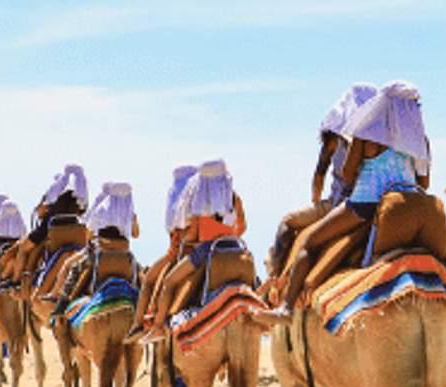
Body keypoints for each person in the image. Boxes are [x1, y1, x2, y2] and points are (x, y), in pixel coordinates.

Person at [272, 80, 430, 309]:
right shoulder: (420, 140)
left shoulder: (366, 132)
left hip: (364, 204)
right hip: (408, 202)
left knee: (309, 241)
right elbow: (424, 182)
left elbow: (348, 174)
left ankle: (286, 307)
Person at [269, 83, 379, 275]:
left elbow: (319, 175)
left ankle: (276, 279)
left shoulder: (333, 139)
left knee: (288, 223)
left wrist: (316, 202)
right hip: (377, 201)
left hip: (341, 203)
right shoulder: (380, 138)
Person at [137, 160, 249, 338]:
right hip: (234, 246)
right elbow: (243, 227)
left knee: (169, 282)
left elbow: (193, 236)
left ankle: (157, 326)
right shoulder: (234, 199)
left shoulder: (200, 200)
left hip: (206, 249)